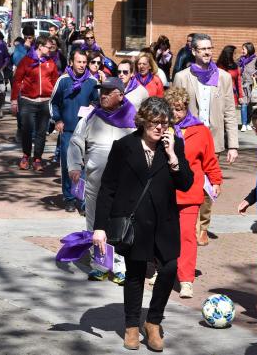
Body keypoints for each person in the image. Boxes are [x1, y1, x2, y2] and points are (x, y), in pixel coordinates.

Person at [92, 97, 193, 352]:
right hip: (135, 222)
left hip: (165, 221)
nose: (159, 128)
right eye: (154, 122)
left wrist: (172, 157)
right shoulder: (124, 146)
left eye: (164, 123)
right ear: (143, 121)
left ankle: (153, 321)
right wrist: (100, 226)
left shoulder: (173, 146)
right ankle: (131, 327)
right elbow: (108, 188)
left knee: (170, 268)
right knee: (135, 274)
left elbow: (186, 183)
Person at [67, 77, 137, 283]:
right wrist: (74, 166)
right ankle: (99, 266)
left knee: (120, 225)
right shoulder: (91, 117)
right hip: (95, 183)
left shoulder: (133, 118)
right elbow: (76, 142)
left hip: (124, 185)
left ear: (121, 96)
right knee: (94, 224)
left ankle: (119, 267)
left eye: (108, 92)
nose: (103, 95)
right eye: (101, 92)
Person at [173, 32, 239, 246]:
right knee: (189, 182)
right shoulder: (183, 77)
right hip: (188, 138)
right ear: (193, 51)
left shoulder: (223, 77)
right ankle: (188, 223)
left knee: (209, 185)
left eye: (210, 48)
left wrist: (233, 145)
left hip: (214, 139)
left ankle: (203, 225)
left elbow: (230, 111)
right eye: (203, 49)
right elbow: (175, 108)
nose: (208, 52)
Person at [164, 87, 222, 299]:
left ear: (186, 107)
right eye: (172, 109)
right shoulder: (161, 129)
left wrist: (215, 180)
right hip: (165, 191)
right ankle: (164, 271)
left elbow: (209, 160)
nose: (175, 114)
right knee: (163, 235)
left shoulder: (200, 130)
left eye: (179, 109)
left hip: (189, 191)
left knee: (187, 236)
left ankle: (186, 279)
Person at [51, 49, 99, 212]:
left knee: (87, 166)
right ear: (71, 62)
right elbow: (53, 103)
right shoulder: (63, 81)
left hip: (87, 131)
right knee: (68, 166)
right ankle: (69, 198)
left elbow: (97, 101)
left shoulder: (92, 82)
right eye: (79, 62)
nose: (82, 65)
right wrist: (57, 119)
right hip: (69, 131)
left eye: (84, 62)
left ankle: (84, 199)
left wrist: (93, 106)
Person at [11, 34, 59, 172]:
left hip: (45, 101)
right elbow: (17, 81)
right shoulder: (26, 61)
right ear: (40, 46)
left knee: (41, 132)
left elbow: (55, 81)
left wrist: (56, 99)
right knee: (26, 130)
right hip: (27, 101)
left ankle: (38, 158)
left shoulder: (51, 62)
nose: (50, 50)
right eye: (48, 48)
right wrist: (14, 100)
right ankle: (26, 156)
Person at [238, 42, 257, 131]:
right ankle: (244, 124)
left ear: (249, 49)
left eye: (243, 49)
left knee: (251, 106)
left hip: (252, 86)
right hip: (242, 86)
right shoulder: (240, 60)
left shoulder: (256, 60)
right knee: (243, 104)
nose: (242, 51)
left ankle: (248, 122)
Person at [216, 44, 242, 117]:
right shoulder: (219, 66)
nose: (236, 55)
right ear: (229, 54)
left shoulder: (235, 66)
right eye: (235, 53)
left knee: (231, 116)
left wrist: (240, 96)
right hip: (220, 94)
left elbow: (238, 82)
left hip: (232, 95)